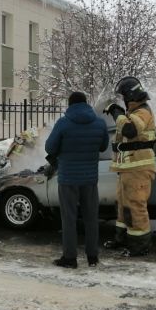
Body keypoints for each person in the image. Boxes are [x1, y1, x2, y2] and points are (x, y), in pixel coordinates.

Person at [45, 91, 109, 269]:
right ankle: (92, 257)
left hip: (68, 179)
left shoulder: (63, 123)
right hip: (90, 179)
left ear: (70, 104)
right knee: (91, 218)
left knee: (69, 219)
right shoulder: (99, 123)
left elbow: (50, 147)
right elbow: (103, 146)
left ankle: (70, 258)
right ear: (86, 103)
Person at [103, 77, 156, 257]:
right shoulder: (133, 112)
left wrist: (116, 113)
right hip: (128, 168)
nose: (123, 101)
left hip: (138, 168)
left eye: (124, 97)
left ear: (131, 95)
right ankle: (122, 239)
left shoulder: (143, 112)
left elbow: (130, 131)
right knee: (122, 205)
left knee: (135, 206)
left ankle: (139, 246)